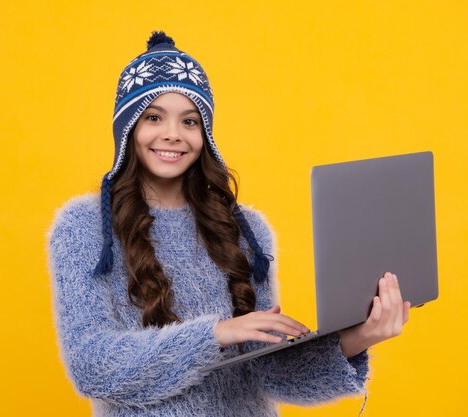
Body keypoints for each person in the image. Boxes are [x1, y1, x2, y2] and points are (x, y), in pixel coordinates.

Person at [46, 31, 410, 417]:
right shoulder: (84, 228)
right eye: (154, 117)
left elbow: (270, 375)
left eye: (190, 121)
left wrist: (360, 336)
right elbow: (91, 366)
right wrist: (214, 335)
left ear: (205, 134)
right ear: (128, 128)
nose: (173, 133)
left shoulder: (245, 229)